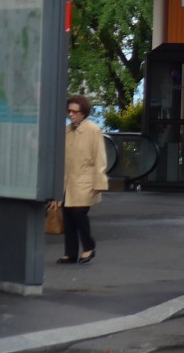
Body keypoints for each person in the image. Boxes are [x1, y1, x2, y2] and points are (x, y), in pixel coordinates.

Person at [59, 94, 108, 265]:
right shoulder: (66, 131)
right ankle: (70, 253)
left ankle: (88, 246)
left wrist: (100, 183)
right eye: (69, 111)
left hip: (85, 180)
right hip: (68, 181)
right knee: (68, 215)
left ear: (83, 113)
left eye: (74, 111)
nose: (70, 114)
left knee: (79, 213)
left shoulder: (93, 130)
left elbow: (99, 158)